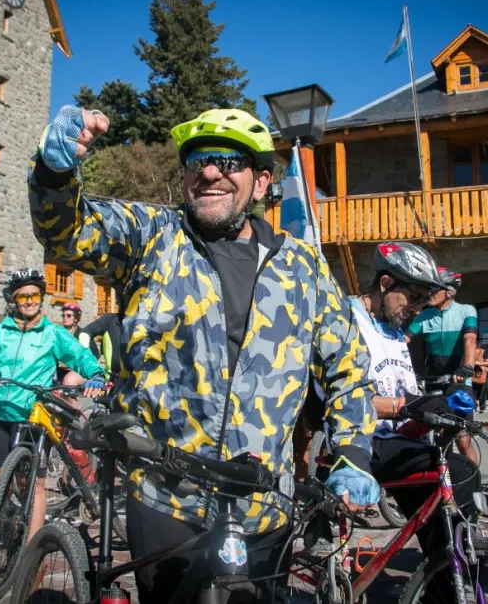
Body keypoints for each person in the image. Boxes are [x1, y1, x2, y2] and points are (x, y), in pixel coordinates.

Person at [28, 104, 379, 603]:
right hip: (167, 498)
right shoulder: (153, 237)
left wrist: (354, 455)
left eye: (229, 162)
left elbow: (349, 369)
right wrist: (54, 172)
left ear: (260, 183)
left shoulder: (302, 267)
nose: (210, 171)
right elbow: (67, 231)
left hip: (265, 504)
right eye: (197, 162)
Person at [0, 268, 106, 569]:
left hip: (31, 417)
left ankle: (32, 549)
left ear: (41, 299)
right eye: (23, 296)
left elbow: (81, 357)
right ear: (14, 301)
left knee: (36, 483)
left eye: (34, 295)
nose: (29, 301)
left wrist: (95, 374)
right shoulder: (1, 330)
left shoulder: (53, 333)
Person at [350, 243, 482, 550]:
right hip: (363, 440)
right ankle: (447, 573)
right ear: (385, 284)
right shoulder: (348, 321)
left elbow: (400, 388)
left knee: (459, 479)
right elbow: (346, 401)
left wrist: (438, 409)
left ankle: (448, 576)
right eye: (415, 297)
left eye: (425, 300)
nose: (419, 308)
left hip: (398, 441)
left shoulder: (394, 328)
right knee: (459, 473)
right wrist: (405, 406)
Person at [405, 267, 479, 462]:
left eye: (434, 289)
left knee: (462, 439)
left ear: (449, 292)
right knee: (437, 442)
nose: (429, 293)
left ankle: (475, 488)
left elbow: (470, 340)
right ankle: (442, 488)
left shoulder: (466, 311)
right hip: (433, 381)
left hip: (459, 380)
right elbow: (404, 340)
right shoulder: (424, 316)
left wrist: (467, 368)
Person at [57, 302, 100, 387]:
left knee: (68, 381)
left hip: (78, 371)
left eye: (69, 316)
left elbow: (95, 355)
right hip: (59, 370)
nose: (65, 318)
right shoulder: (60, 333)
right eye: (63, 315)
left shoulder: (82, 334)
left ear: (76, 319)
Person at [84, 311, 122, 381]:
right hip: (112, 380)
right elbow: (85, 332)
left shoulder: (145, 322)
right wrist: (87, 363)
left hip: (140, 380)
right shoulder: (110, 319)